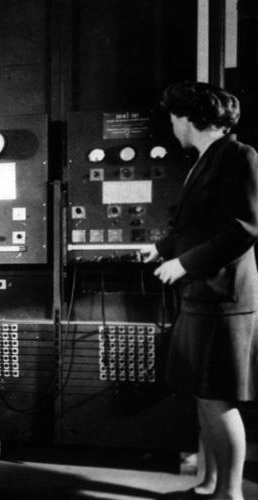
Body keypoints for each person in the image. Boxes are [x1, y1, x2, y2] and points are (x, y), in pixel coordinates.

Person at [142, 82, 258, 500]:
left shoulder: (239, 156)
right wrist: (157, 249)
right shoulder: (205, 160)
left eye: (173, 119)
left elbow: (244, 229)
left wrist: (183, 264)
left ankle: (230, 494)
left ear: (188, 119)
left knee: (218, 399)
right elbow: (196, 227)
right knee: (203, 396)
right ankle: (209, 484)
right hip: (201, 296)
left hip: (224, 299)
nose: (171, 127)